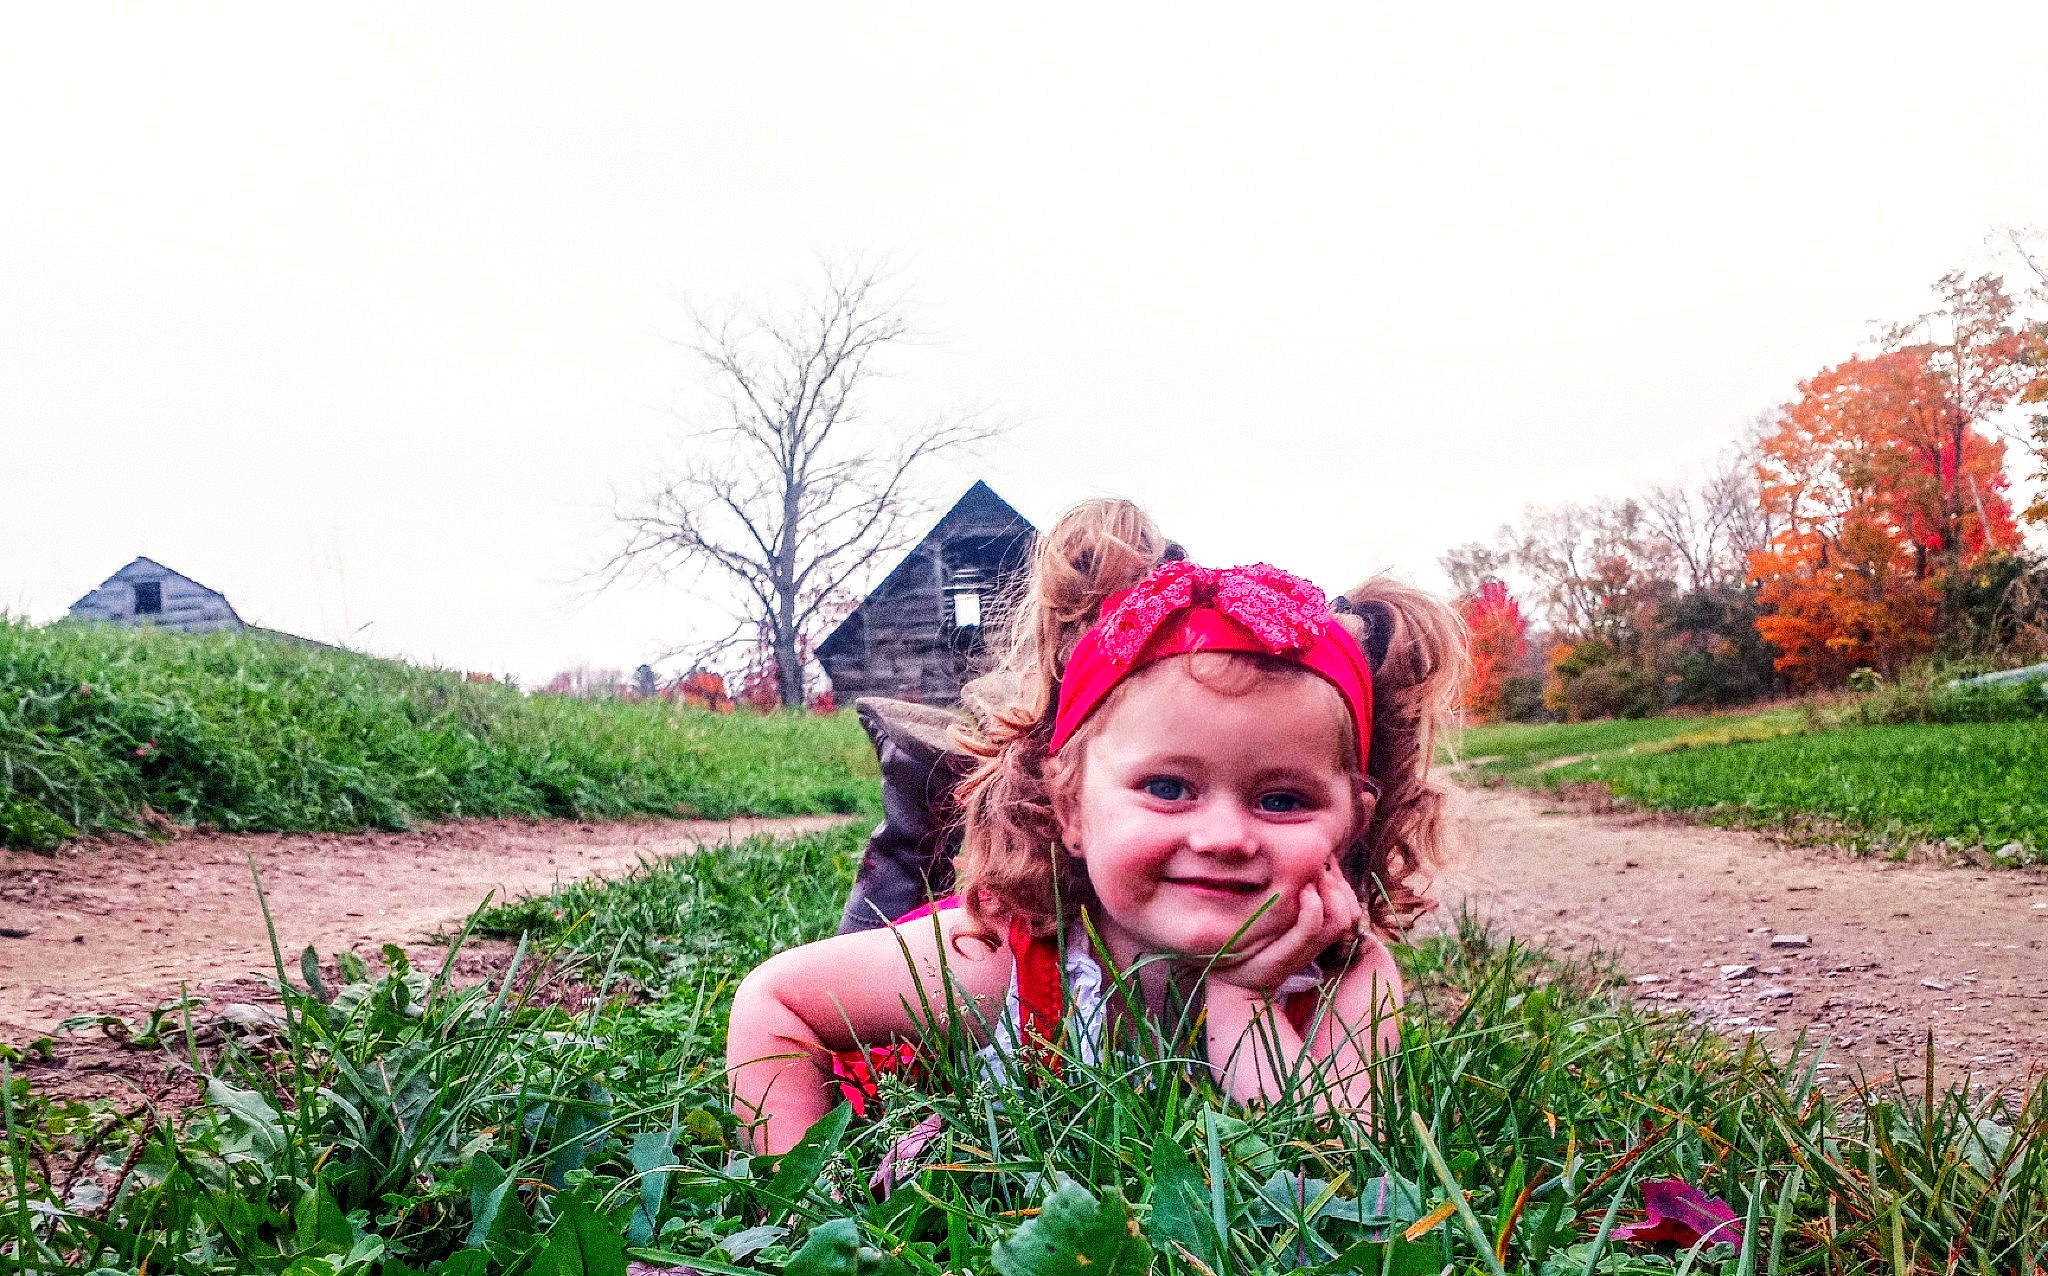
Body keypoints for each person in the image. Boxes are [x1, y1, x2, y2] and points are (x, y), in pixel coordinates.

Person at [726, 500, 1466, 1155]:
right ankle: (910, 813)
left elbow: (1327, 1170)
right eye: (1169, 788)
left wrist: (1247, 999)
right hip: (968, 958)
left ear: (1352, 819)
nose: (1225, 837)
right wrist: (797, 1212)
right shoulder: (1004, 958)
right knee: (885, 922)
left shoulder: (1348, 978)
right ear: (1072, 807)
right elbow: (777, 1002)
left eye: (1282, 801)